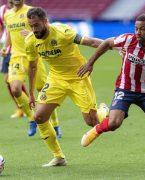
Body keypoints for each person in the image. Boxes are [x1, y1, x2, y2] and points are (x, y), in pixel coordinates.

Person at [78, 14, 145, 171]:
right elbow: (106, 43)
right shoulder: (127, 39)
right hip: (125, 89)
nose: (138, 32)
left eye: (142, 29)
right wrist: (90, 63)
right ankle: (97, 128)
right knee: (113, 124)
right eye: (136, 28)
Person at [25, 7, 108, 167]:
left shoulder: (63, 32)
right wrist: (30, 93)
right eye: (31, 26)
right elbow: (33, 66)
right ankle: (59, 157)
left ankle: (102, 110)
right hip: (56, 79)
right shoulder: (30, 41)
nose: (34, 30)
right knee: (39, 117)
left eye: (36, 25)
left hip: (78, 77)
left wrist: (115, 46)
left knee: (92, 122)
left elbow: (90, 42)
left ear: (45, 21)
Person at [2, 0, 61, 137]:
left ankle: (56, 124)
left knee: (43, 91)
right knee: (15, 88)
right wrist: (6, 47)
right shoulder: (7, 15)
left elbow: (43, 31)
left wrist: (30, 34)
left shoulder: (32, 11)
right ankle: (31, 118)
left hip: (34, 56)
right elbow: (9, 33)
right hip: (16, 56)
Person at [0, 0, 27, 118]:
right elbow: (2, 29)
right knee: (8, 80)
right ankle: (20, 108)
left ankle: (30, 107)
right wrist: (4, 46)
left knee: (16, 82)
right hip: (9, 50)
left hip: (24, 50)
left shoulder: (26, 10)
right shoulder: (3, 11)